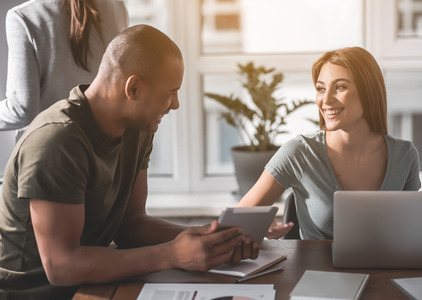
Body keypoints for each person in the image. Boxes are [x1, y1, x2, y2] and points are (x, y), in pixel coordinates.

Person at [0, 24, 258, 299]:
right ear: (132, 87)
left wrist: (207, 238)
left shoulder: (138, 128)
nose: (176, 105)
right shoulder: (57, 141)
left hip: (93, 286)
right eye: (170, 92)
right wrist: (171, 254)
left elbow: (131, 224)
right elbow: (61, 266)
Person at [237, 46, 421, 240]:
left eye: (340, 87)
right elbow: (239, 219)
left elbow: (412, 229)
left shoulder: (405, 155)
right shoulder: (299, 153)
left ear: (368, 91)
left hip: (386, 268)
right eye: (321, 89)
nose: (326, 100)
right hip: (316, 269)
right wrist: (261, 224)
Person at [0, 0, 129, 141]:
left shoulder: (22, 17)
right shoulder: (117, 7)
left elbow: (22, 110)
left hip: (48, 150)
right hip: (101, 150)